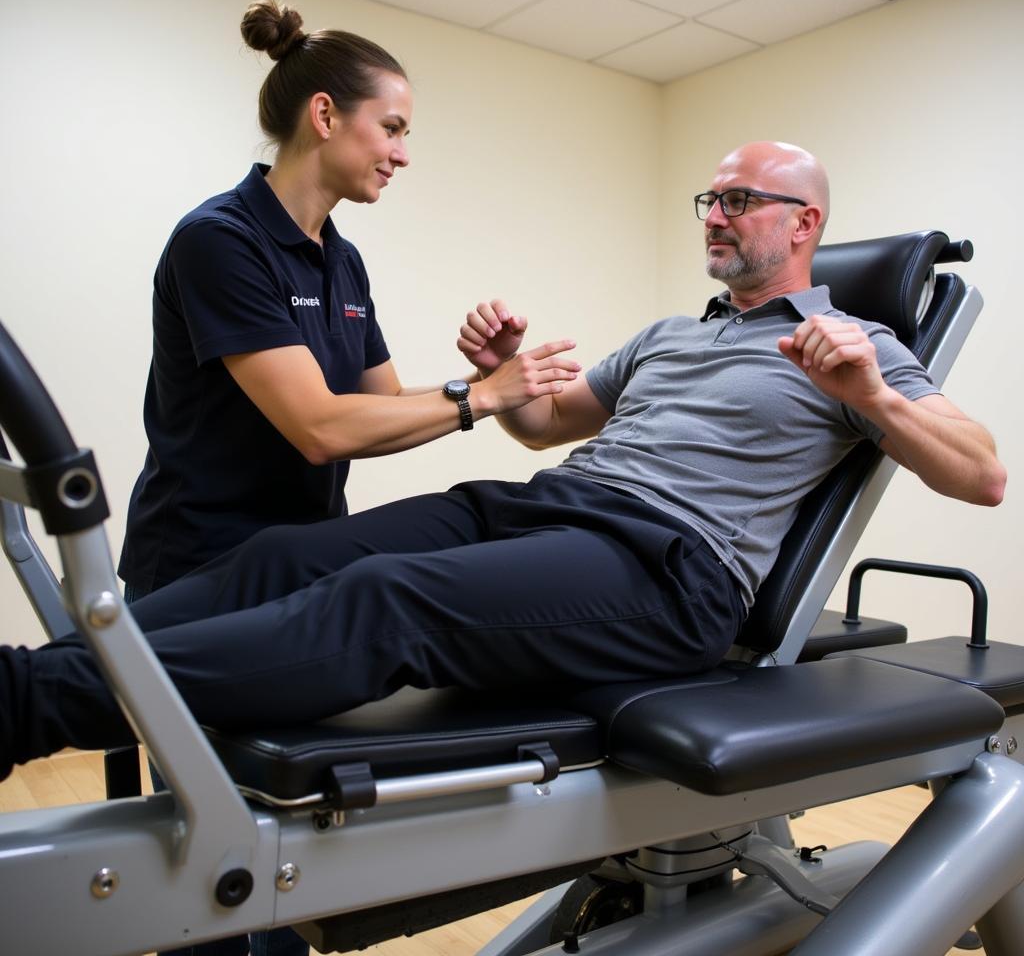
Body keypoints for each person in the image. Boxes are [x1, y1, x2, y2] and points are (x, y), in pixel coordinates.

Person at [1, 141, 1006, 792]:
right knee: (285, 554)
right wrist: (499, 376)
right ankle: (41, 675)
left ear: (804, 224)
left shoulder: (852, 339)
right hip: (548, 507)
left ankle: (27, 707)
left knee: (388, 598)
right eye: (710, 196)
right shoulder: (669, 333)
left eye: (740, 199)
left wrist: (870, 397)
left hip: (668, 570)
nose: (714, 212)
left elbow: (980, 473)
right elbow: (547, 424)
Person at [111, 0, 577, 956]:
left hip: (301, 563)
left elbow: (376, 411)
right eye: (393, 128)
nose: (403, 153)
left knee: (273, 829)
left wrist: (472, 381)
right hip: (198, 563)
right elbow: (320, 426)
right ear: (326, 116)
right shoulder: (222, 240)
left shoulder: (342, 259)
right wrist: (479, 398)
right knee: (204, 844)